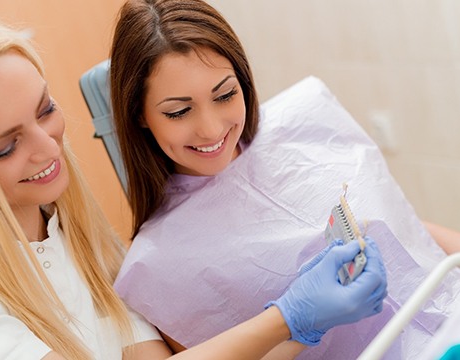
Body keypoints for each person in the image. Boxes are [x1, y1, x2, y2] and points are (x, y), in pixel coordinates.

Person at [0, 9, 386, 360]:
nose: (49, 149)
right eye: (5, 146)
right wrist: (289, 317)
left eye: (46, 111)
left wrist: (310, 320)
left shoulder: (78, 237)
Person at [108, 0, 460, 359]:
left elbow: (407, 225)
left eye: (225, 94)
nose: (211, 129)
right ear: (139, 113)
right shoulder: (155, 266)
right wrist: (300, 323)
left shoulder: (308, 117)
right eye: (179, 111)